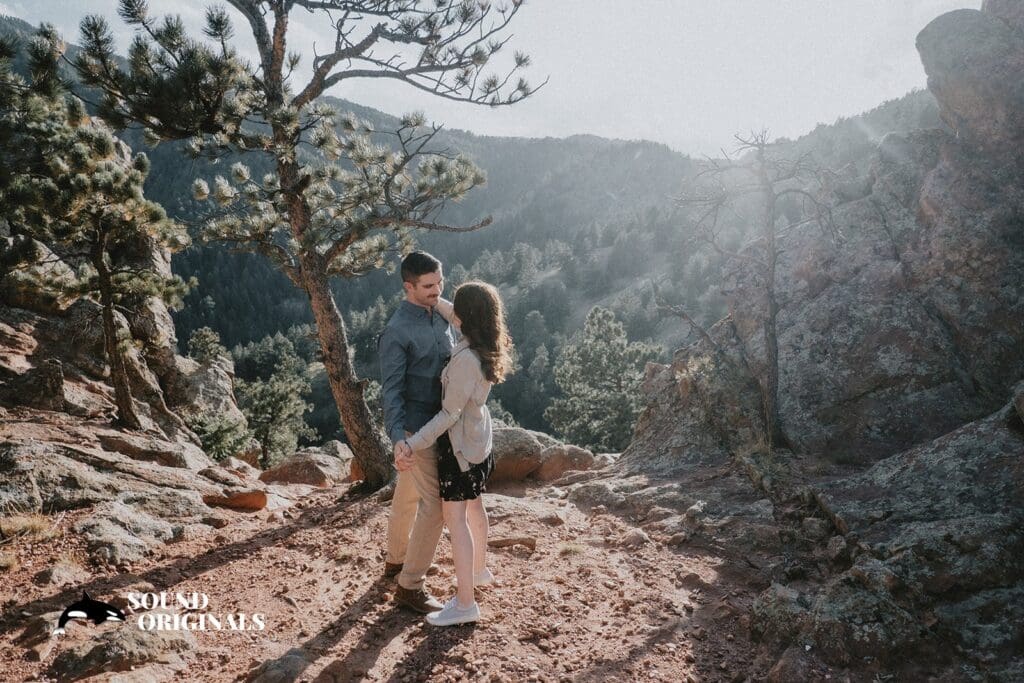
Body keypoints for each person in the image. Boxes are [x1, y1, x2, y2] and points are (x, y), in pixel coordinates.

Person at [396, 281, 513, 626]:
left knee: (456, 521)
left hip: (459, 450)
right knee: (475, 506)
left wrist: (410, 443)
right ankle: (478, 571)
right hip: (480, 442)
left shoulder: (465, 360)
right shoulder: (488, 342)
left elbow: (448, 416)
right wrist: (436, 298)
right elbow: (452, 311)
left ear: (465, 317)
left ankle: (465, 604)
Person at [379, 251, 454, 614]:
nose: (437, 290)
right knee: (435, 505)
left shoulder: (438, 310)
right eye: (428, 286)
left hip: (442, 422)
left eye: (441, 281)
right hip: (415, 428)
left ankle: (396, 562)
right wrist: (398, 439)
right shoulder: (396, 331)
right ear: (408, 287)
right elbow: (390, 390)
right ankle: (410, 586)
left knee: (407, 495)